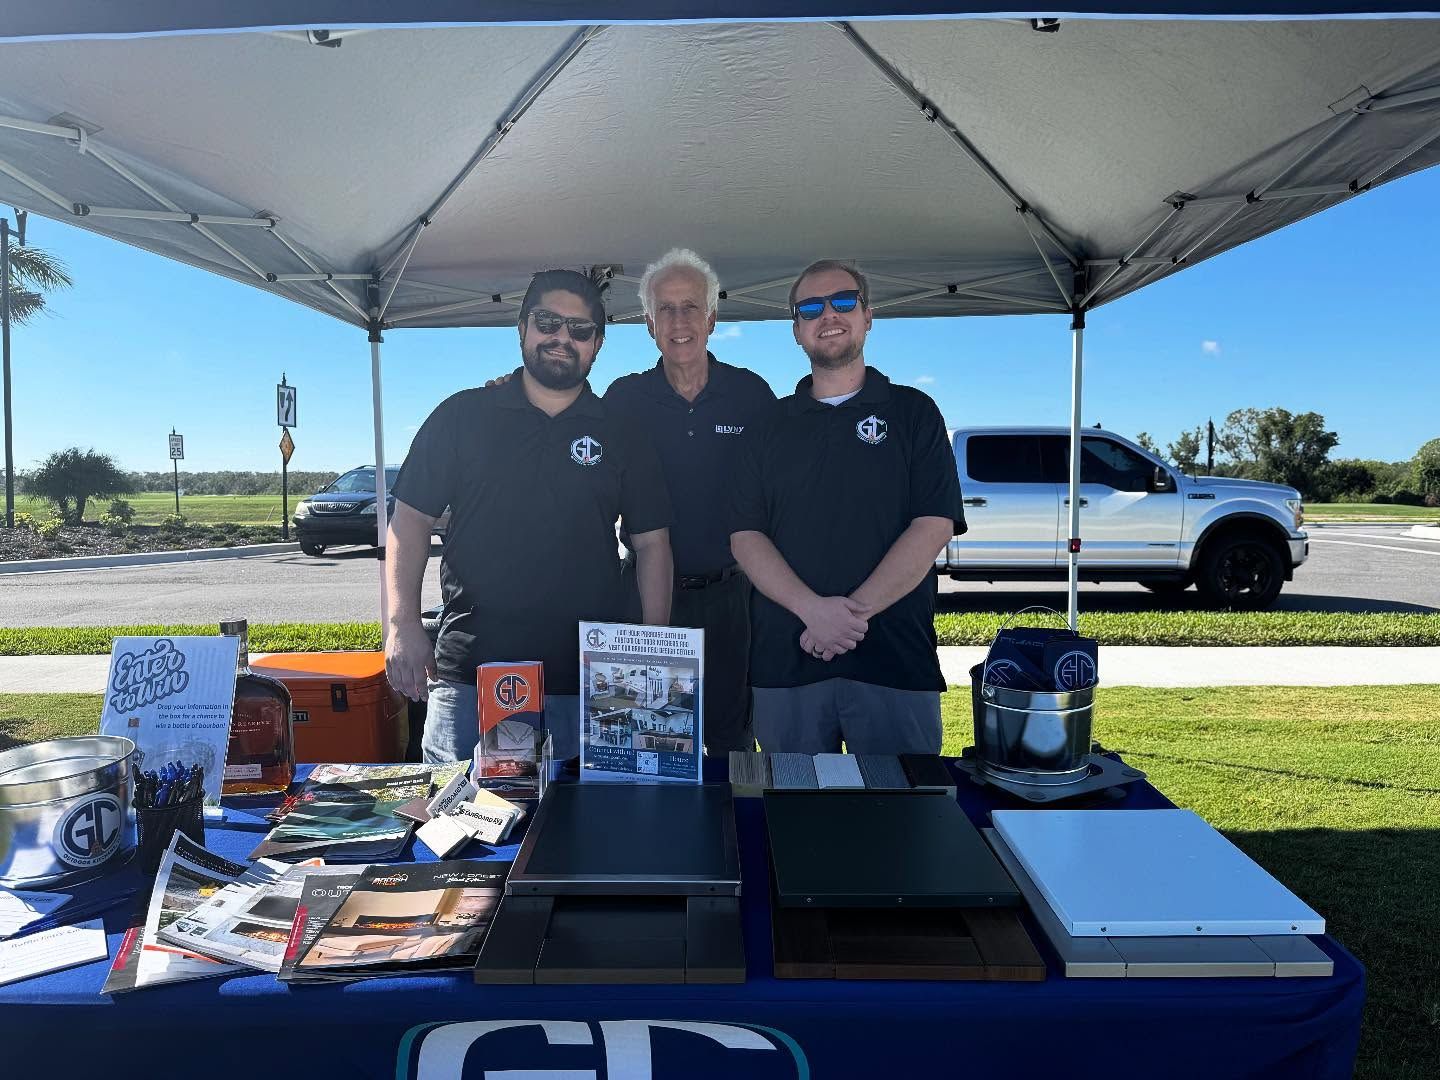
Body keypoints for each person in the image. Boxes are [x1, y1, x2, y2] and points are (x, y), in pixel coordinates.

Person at [384, 268, 674, 763]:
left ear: (598, 344)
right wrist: (401, 623)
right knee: (463, 829)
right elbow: (408, 520)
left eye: (580, 330)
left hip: (591, 681)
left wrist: (649, 647)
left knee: (587, 831)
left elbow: (652, 545)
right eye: (548, 322)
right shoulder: (462, 416)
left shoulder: (624, 434)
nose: (562, 337)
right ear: (522, 327)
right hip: (472, 673)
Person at [728, 259, 965, 755]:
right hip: (785, 666)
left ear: (868, 314)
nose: (828, 315)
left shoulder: (913, 412)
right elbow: (746, 537)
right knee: (791, 826)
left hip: (894, 662)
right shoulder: (768, 426)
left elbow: (933, 525)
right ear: (796, 330)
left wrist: (843, 619)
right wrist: (813, 611)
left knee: (901, 825)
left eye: (843, 300)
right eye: (810, 307)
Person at [604, 248, 779, 755]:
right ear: (648, 324)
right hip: (641, 594)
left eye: (690, 307)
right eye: (665, 308)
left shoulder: (751, 395)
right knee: (645, 740)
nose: (679, 321)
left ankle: (733, 835)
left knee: (730, 744)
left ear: (712, 318)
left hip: (731, 599)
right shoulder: (623, 399)